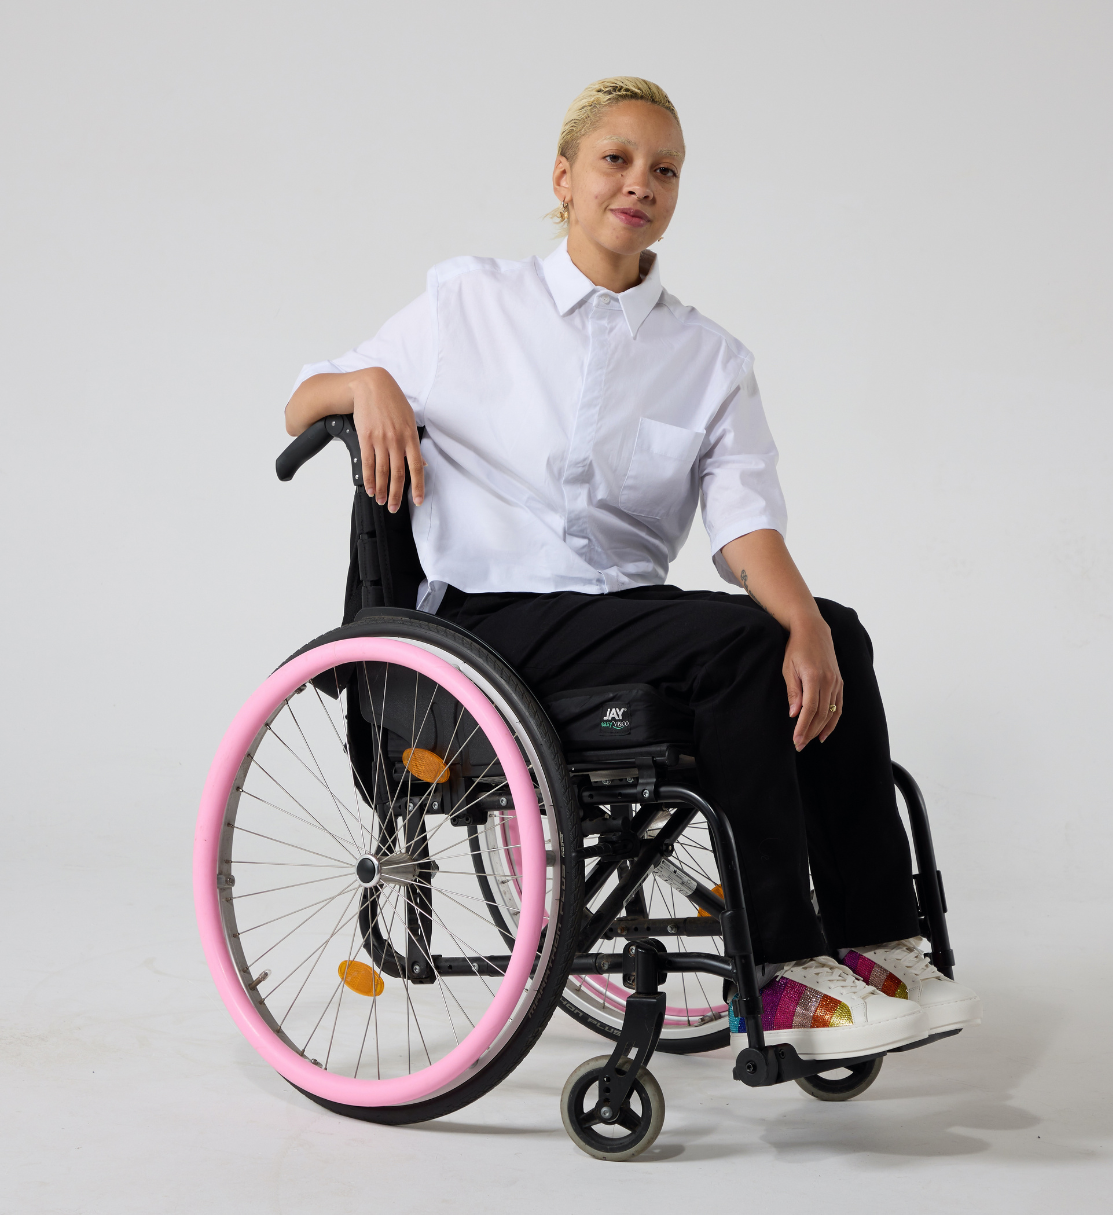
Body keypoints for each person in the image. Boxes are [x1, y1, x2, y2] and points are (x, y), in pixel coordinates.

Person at [285, 77, 980, 1061]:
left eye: (664, 169)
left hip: (624, 617)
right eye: (616, 159)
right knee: (746, 642)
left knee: (833, 628)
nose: (639, 183)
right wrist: (368, 384)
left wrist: (810, 628)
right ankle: (782, 973)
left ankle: (878, 944)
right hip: (488, 625)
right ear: (565, 177)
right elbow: (299, 401)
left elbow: (744, 530)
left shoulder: (707, 358)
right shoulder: (472, 304)